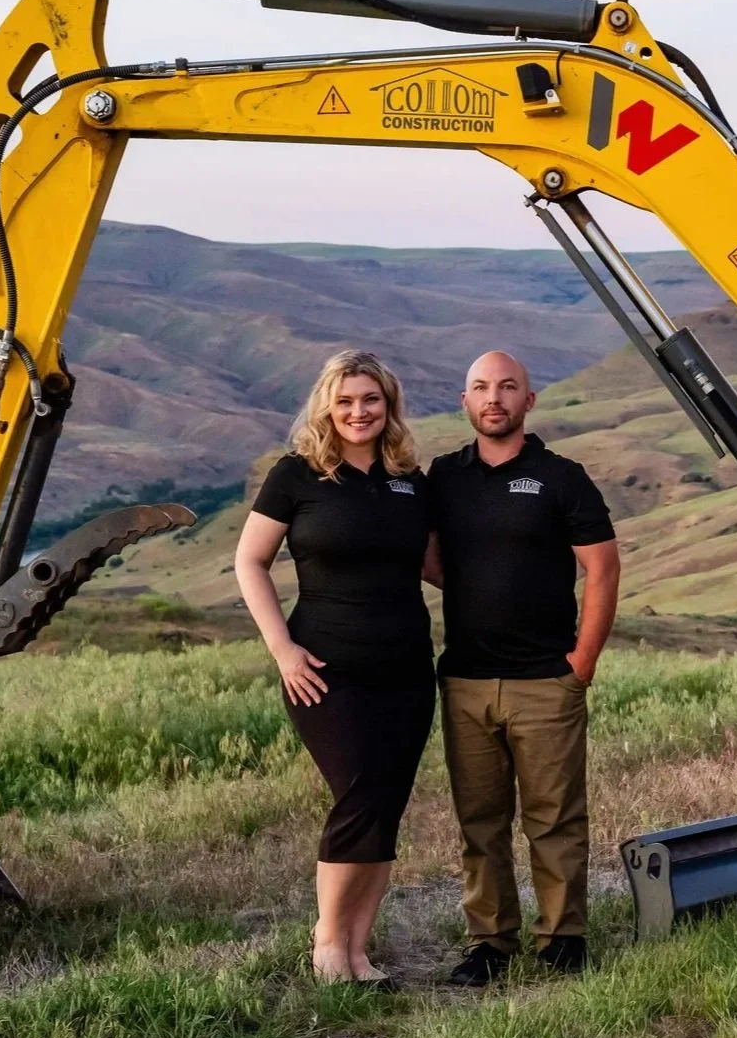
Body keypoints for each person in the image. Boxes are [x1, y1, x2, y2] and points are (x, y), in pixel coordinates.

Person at [235, 350, 433, 987]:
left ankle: (358, 949)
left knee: (387, 803)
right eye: (345, 401)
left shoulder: (409, 478)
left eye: (370, 400)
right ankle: (327, 942)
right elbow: (250, 562)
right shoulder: (295, 476)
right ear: (326, 405)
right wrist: (282, 651)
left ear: (388, 405)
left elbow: (438, 567)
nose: (358, 412)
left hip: (406, 666)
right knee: (359, 796)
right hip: (322, 666)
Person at [425, 351, 619, 985]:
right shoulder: (443, 477)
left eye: (508, 387)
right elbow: (426, 560)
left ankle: (563, 939)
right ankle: (490, 944)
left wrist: (581, 664)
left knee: (554, 818)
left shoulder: (562, 477)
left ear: (529, 401)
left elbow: (603, 568)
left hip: (546, 681)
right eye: (480, 386)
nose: (494, 397)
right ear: (465, 401)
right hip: (465, 680)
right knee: (479, 822)